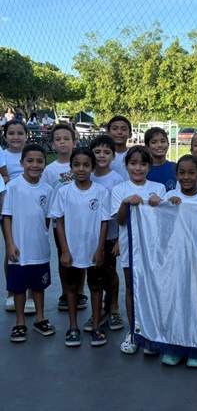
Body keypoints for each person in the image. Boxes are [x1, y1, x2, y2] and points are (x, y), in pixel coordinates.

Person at [51, 147, 110, 347]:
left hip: (93, 251)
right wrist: (65, 250)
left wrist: (100, 249)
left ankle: (95, 327)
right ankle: (73, 327)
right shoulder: (63, 191)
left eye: (86, 165)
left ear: (93, 167)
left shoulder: (101, 192)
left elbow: (104, 221)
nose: (81, 169)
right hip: (73, 251)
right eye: (77, 165)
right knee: (73, 287)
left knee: (95, 287)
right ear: (71, 167)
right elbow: (59, 222)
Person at [112, 145, 165, 354]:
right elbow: (120, 221)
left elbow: (164, 220)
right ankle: (134, 330)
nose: (138, 168)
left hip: (153, 248)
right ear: (126, 166)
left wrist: (158, 203)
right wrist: (125, 203)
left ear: (149, 167)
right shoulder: (120, 189)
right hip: (129, 246)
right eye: (133, 163)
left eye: (143, 164)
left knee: (152, 286)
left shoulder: (159, 188)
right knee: (131, 286)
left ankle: (151, 331)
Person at [2, 144, 55, 342]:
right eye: (30, 161)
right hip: (19, 250)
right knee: (18, 288)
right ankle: (20, 322)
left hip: (40, 250)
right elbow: (6, 216)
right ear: (21, 162)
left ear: (44, 164)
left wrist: (40, 237)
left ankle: (40, 319)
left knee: (38, 287)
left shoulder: (48, 190)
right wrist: (9, 244)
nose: (35, 165)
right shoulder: (13, 187)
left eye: (40, 161)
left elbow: (47, 219)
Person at [162, 154, 197, 368]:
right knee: (176, 302)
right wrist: (164, 205)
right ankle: (174, 347)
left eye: (192, 172)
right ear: (176, 174)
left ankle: (196, 348)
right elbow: (160, 224)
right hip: (175, 261)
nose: (187, 177)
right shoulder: (170, 196)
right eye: (182, 173)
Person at [41, 123, 88, 311]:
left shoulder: (83, 164)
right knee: (64, 256)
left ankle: (81, 292)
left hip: (82, 219)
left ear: (74, 142)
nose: (62, 143)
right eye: (58, 139)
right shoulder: (49, 170)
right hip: (60, 222)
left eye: (66, 139)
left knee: (82, 255)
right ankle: (65, 291)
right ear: (52, 144)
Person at [87, 135, 124, 332]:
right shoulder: (86, 174)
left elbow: (120, 210)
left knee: (110, 272)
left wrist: (118, 238)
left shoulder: (117, 179)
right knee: (93, 274)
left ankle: (114, 308)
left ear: (113, 156)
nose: (101, 155)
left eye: (106, 152)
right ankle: (98, 311)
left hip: (110, 235)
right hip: (89, 236)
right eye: (97, 152)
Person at [3, 120, 35, 313]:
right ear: (5, 136)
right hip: (8, 208)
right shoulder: (2, 156)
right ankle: (12, 292)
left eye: (20, 133)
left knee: (31, 250)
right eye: (11, 133)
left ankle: (31, 295)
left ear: (26, 135)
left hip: (30, 208)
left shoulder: (32, 155)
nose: (16, 137)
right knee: (11, 248)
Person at [145, 127, 177, 191]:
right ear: (147, 147)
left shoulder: (176, 167)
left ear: (168, 144)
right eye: (154, 142)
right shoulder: (143, 170)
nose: (159, 145)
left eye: (163, 141)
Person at [107, 116, 132, 181]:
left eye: (124, 129)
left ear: (130, 134)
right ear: (108, 133)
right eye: (115, 129)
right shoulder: (102, 156)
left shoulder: (133, 156)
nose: (119, 132)